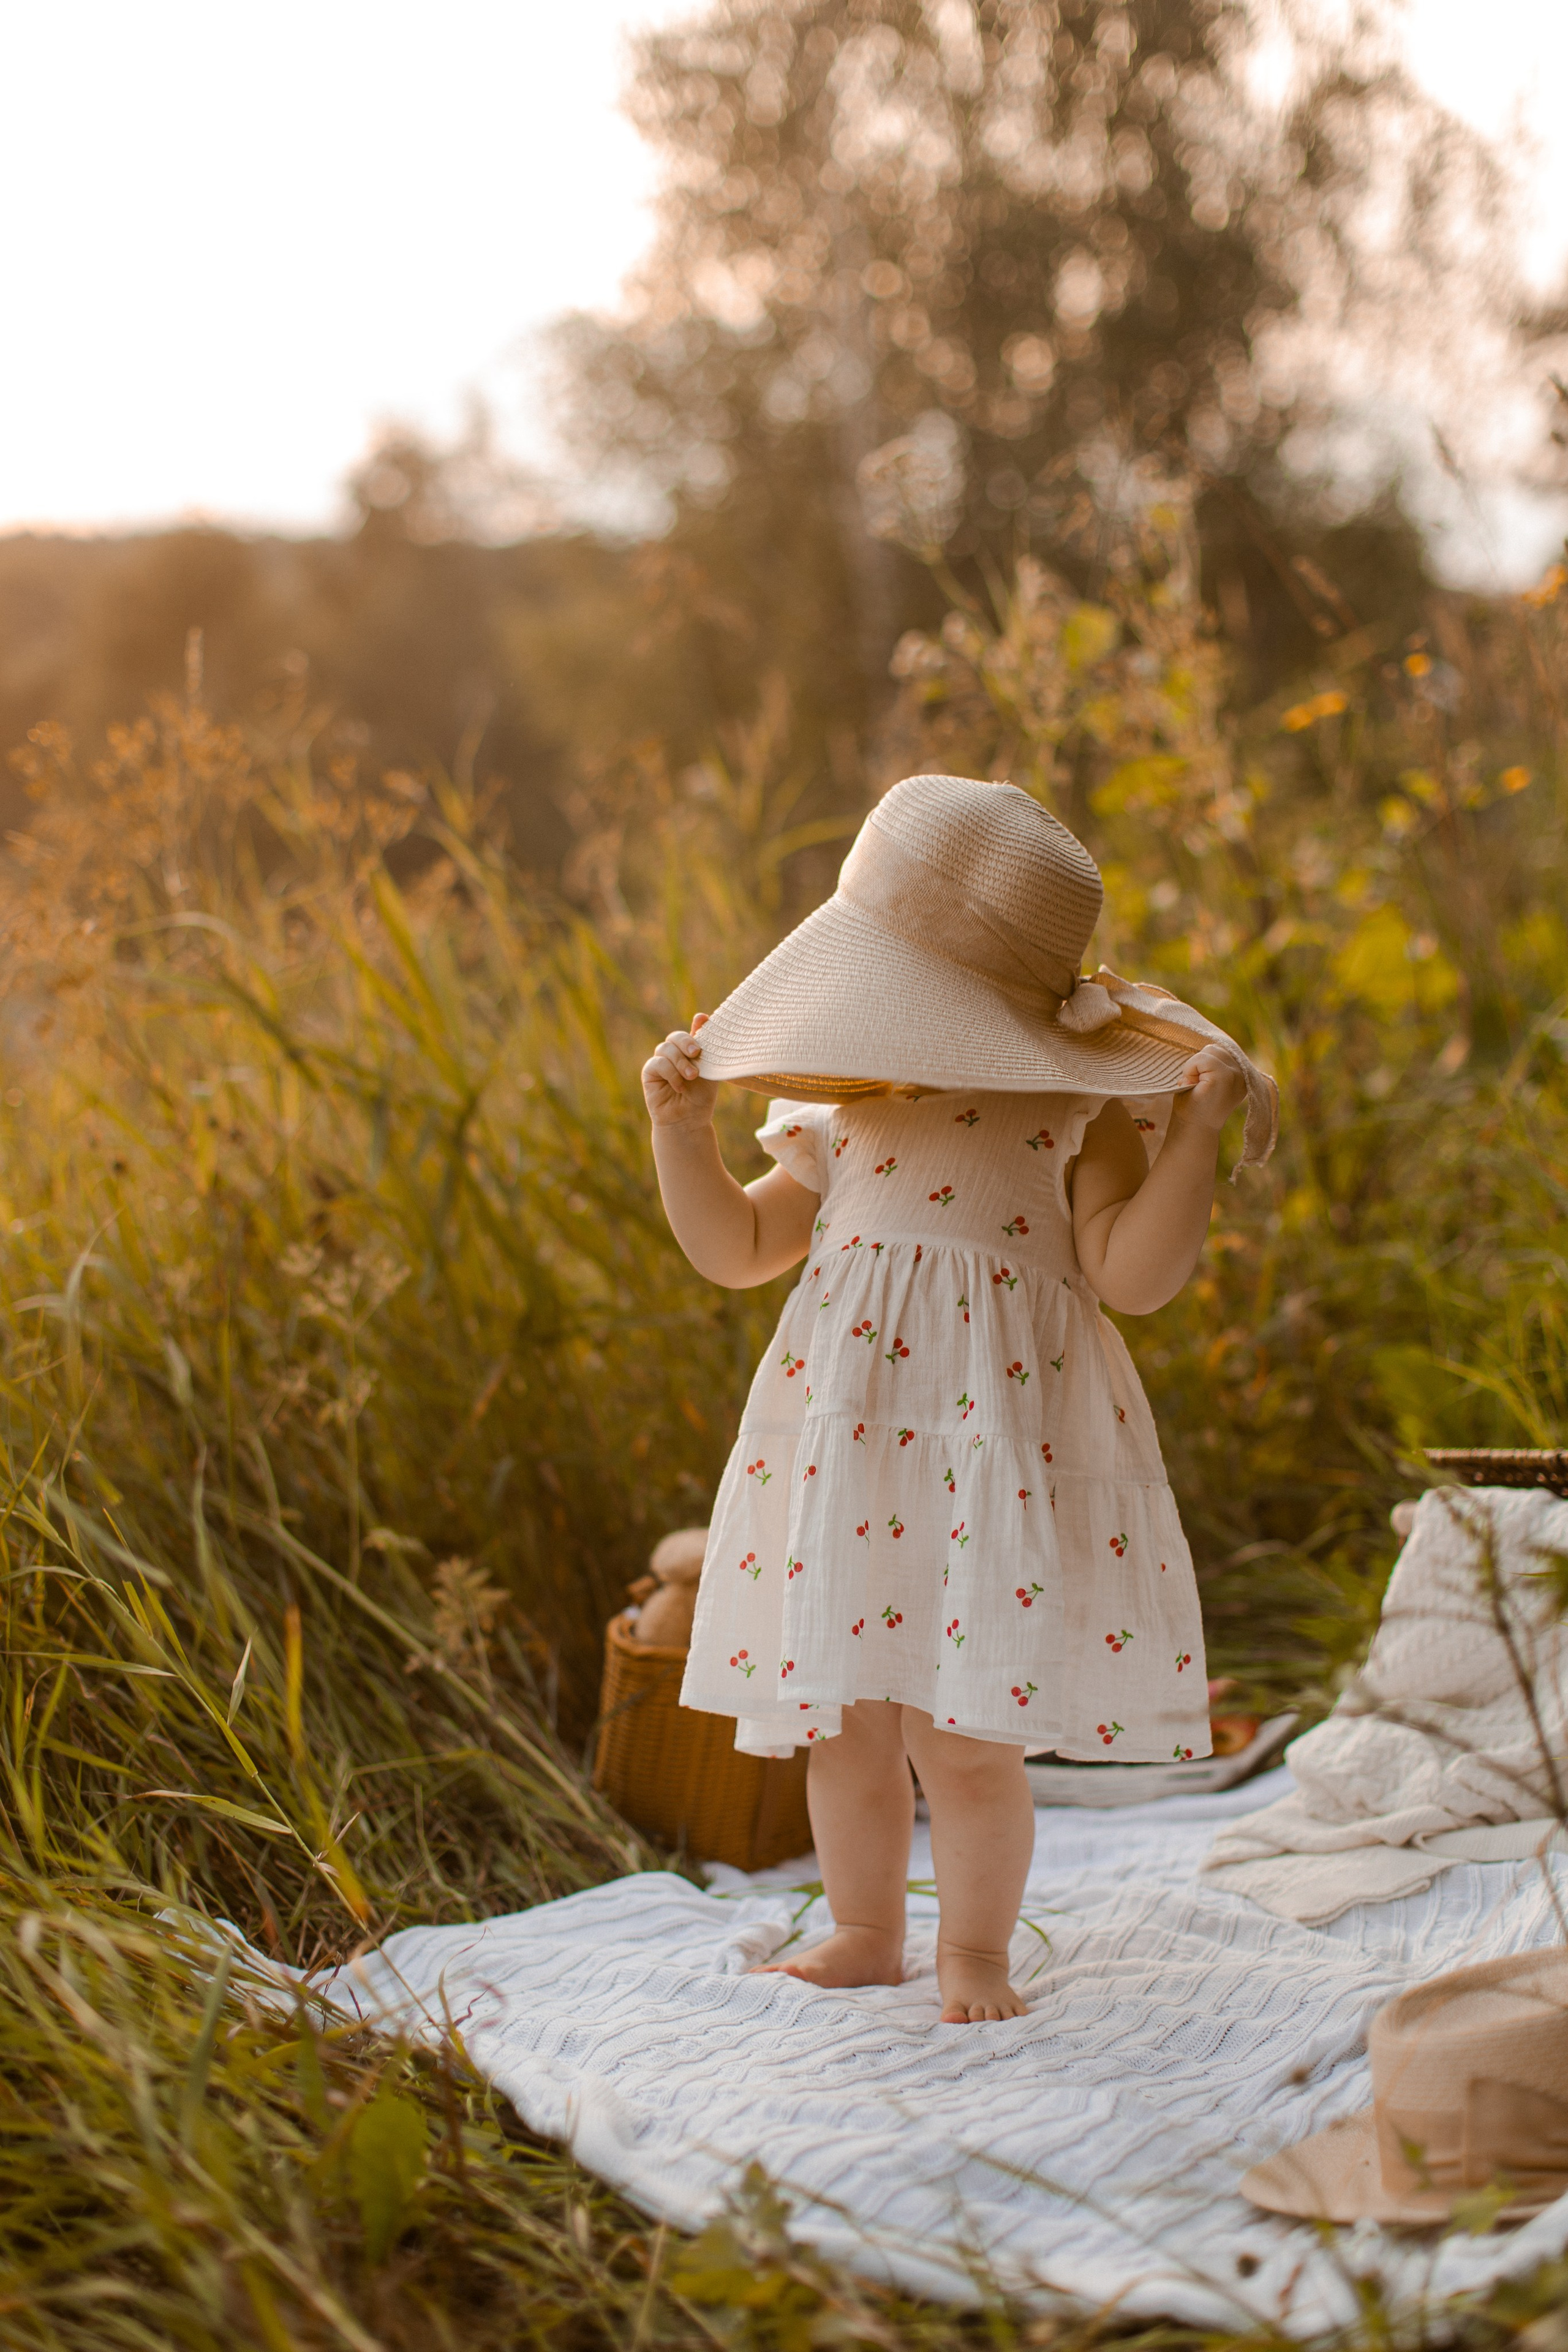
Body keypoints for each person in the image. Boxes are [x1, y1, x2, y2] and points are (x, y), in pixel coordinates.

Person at [641, 776, 1276, 2022]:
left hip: (991, 1452)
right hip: (851, 1449)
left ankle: (973, 1955)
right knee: (846, 1725)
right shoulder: (836, 1105)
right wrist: (679, 1133)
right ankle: (865, 1931)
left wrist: (1189, 1141)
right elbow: (736, 1247)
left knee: (964, 1737)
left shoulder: (1077, 1110)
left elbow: (1129, 1279)